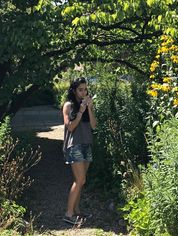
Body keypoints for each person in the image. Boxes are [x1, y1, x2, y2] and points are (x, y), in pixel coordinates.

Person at [62, 77, 97, 225]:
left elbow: (94, 126)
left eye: (85, 89)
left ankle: (76, 210)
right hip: (74, 145)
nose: (83, 92)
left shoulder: (87, 104)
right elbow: (70, 127)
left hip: (86, 144)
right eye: (80, 89)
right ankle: (68, 214)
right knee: (80, 179)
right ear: (74, 91)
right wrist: (81, 112)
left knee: (82, 181)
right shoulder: (68, 106)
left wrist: (89, 108)